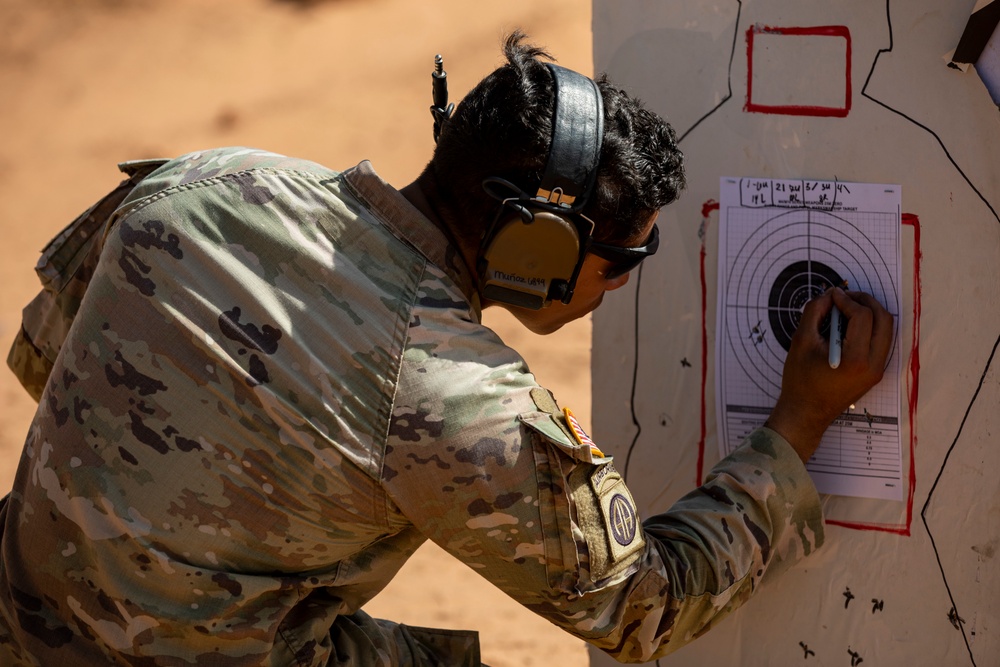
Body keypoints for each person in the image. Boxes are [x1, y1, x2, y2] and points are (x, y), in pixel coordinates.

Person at [0, 32, 892, 666]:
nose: (623, 280)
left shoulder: (212, 176)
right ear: (537, 247)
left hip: (23, 608)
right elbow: (644, 606)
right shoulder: (451, 395)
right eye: (620, 258)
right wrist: (798, 421)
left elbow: (45, 361)